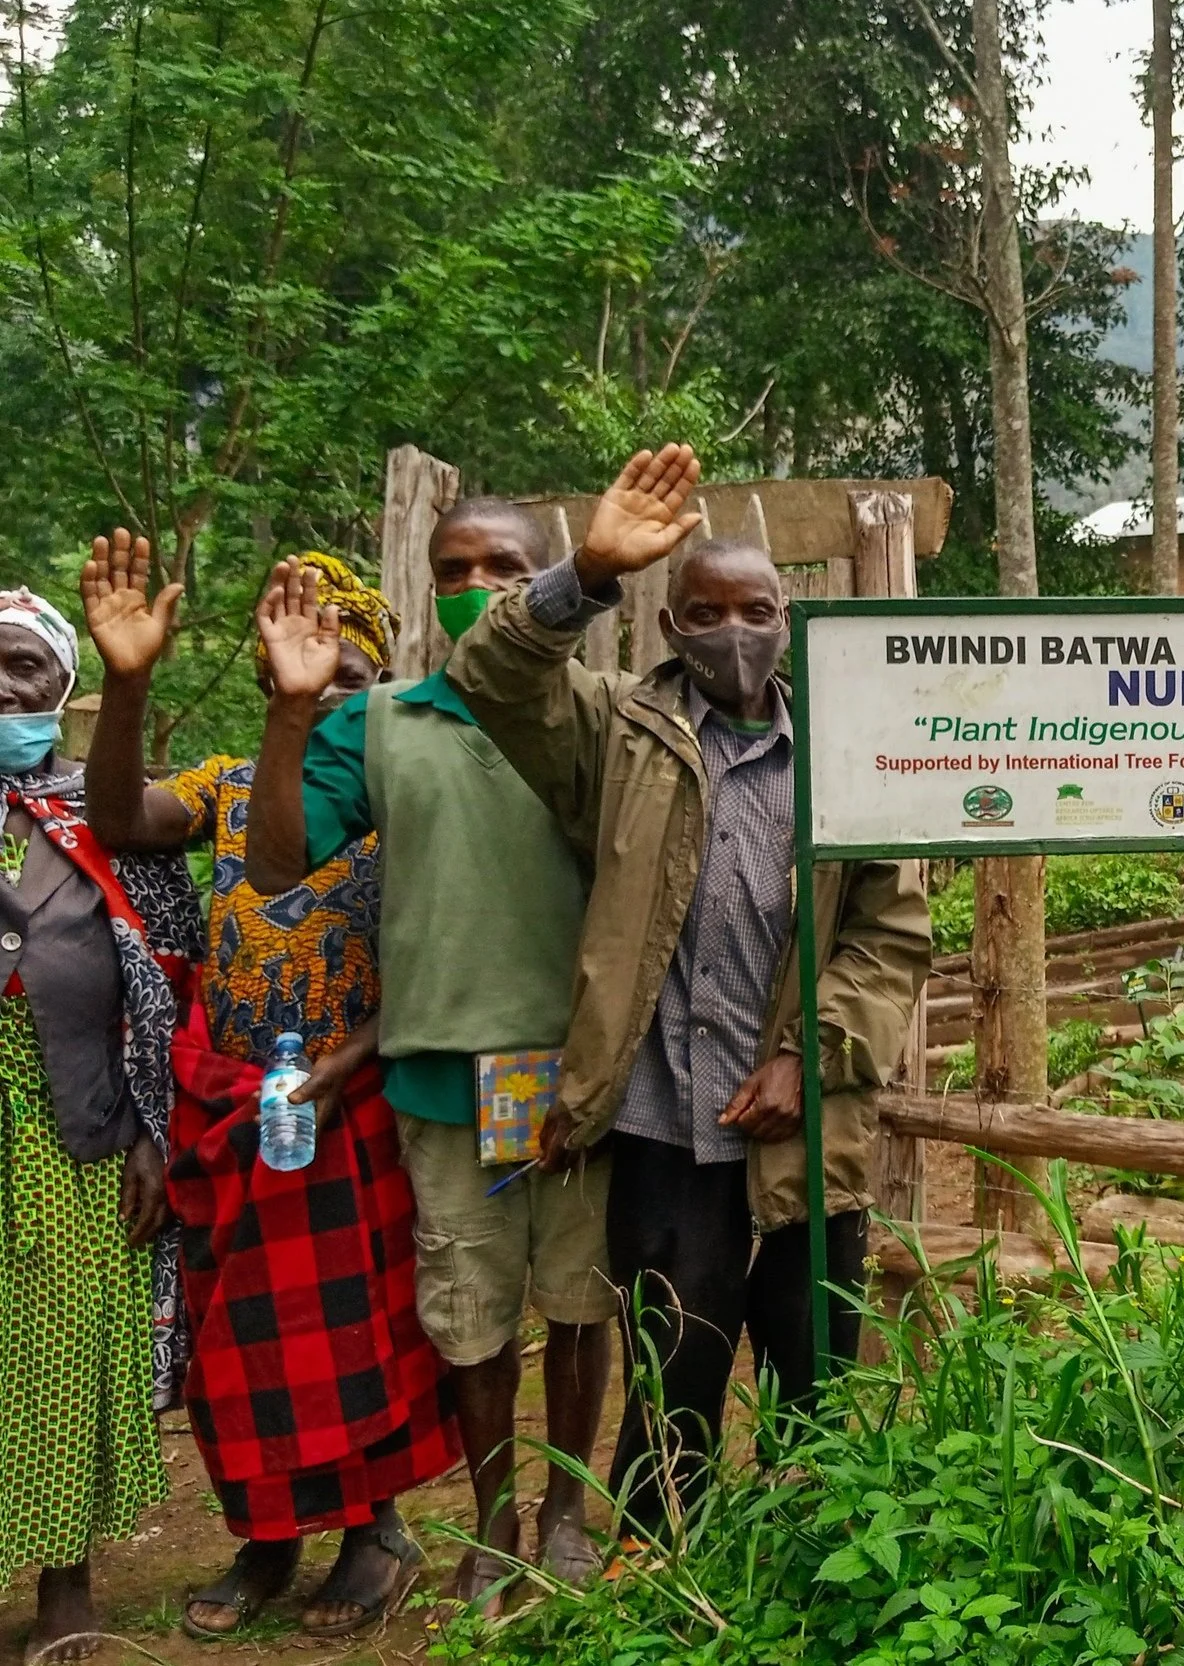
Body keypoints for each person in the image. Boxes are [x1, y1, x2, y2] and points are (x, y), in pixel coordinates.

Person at [446, 446, 930, 1540]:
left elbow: (891, 934)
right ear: (670, 626)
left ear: (786, 615)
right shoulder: (614, 733)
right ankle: (663, 1569)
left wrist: (808, 1052)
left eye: (753, 609)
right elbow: (492, 675)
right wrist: (588, 572)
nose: (732, 632)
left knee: (812, 1366)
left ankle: (815, 1564)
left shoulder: (847, 755)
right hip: (667, 1128)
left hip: (810, 1129)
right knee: (675, 1370)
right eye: (704, 611)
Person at [78, 534, 459, 1639]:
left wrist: (340, 1069)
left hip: (347, 1095)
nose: (318, 692)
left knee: (354, 1329)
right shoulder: (235, 786)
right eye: (296, 673)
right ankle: (266, 1534)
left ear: (376, 685)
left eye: (344, 676)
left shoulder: (408, 801)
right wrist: (127, 681)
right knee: (235, 1335)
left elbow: (441, 960)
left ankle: (373, 1529)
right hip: (232, 1097)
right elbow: (119, 818)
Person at [244, 502, 609, 1613]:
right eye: (454, 567)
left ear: (546, 579)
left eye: (504, 565)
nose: (479, 584)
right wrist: (294, 719)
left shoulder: (603, 710)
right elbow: (275, 867)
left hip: (578, 1071)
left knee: (581, 1303)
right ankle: (494, 1524)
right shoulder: (386, 719)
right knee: (473, 1313)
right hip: (447, 1074)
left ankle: (566, 1510)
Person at [0, 588, 203, 1664]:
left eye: (25, 669)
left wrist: (151, 1132)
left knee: (69, 1344)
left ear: (63, 687)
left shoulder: (108, 805)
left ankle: (65, 1576)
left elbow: (168, 979)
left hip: (76, 1116)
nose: (3, 687)